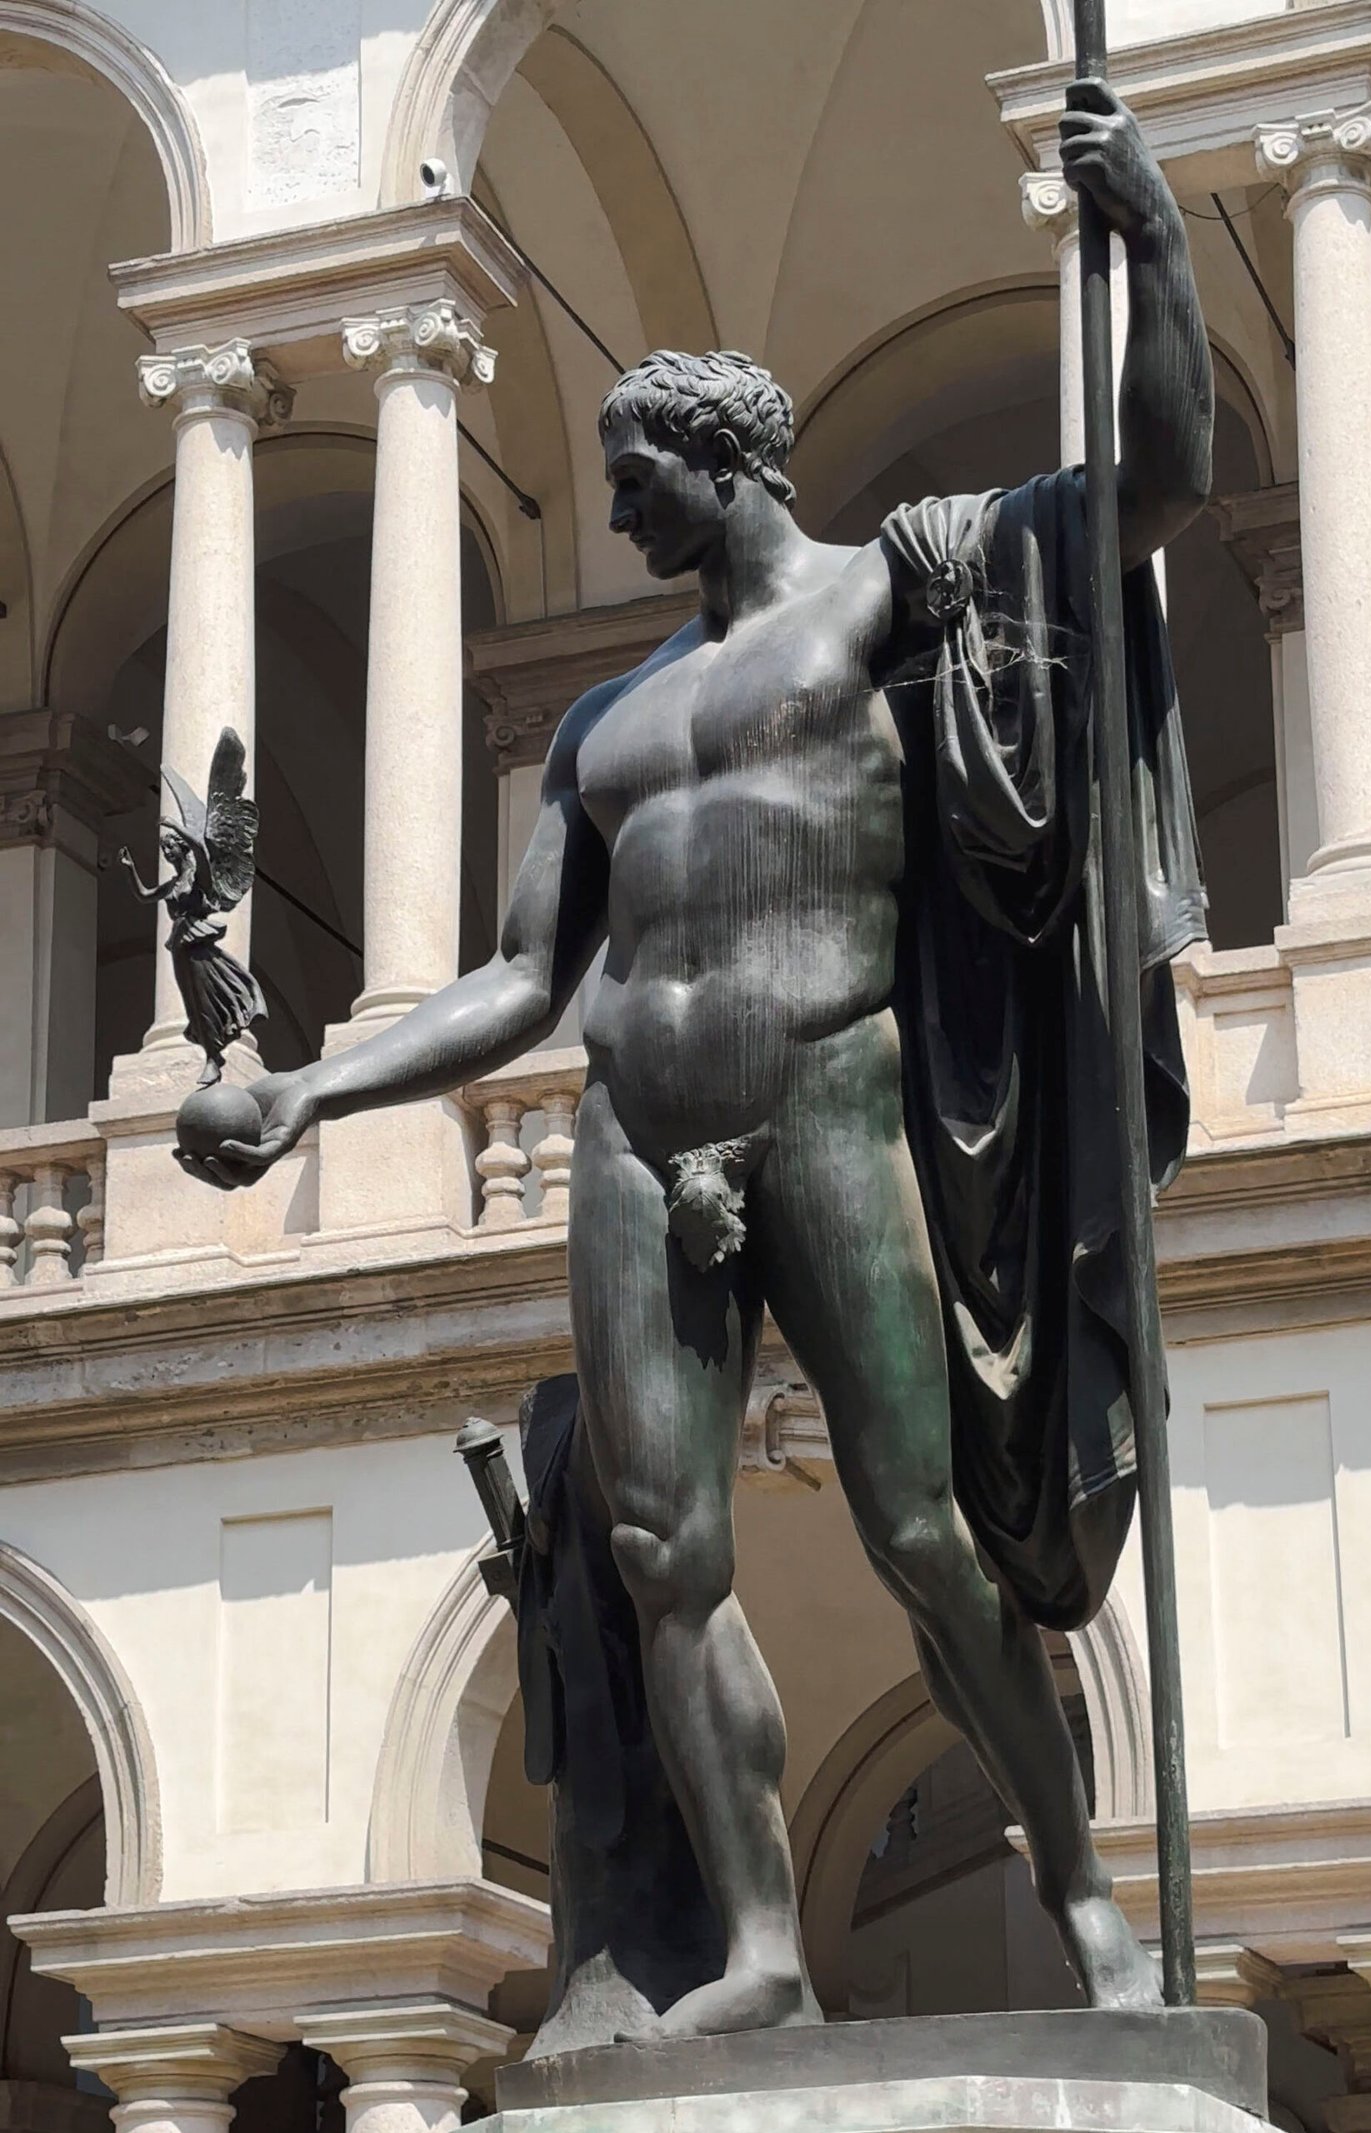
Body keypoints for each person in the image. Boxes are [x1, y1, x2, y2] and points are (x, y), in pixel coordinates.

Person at [189, 81, 1213, 2040]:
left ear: (722, 456)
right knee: (662, 1548)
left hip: (828, 1089)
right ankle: (762, 1942)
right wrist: (314, 1089)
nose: (618, 510)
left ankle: (1083, 1897)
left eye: (636, 471)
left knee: (919, 1528)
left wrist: (1152, 242)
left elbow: (1148, 490)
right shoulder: (605, 719)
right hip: (633, 1136)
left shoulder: (894, 587)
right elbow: (521, 979)